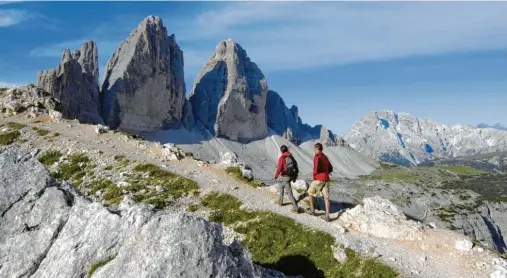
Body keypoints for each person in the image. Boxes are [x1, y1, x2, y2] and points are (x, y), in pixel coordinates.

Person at [306, 142, 333, 222]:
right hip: (326, 179)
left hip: (319, 179)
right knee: (326, 198)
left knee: (310, 193)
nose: (314, 150)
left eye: (315, 148)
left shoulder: (317, 157)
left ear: (318, 148)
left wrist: (314, 176)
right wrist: (325, 174)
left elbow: (316, 168)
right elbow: (330, 168)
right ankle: (327, 216)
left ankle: (312, 210)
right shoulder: (325, 157)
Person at [274, 145, 301, 213]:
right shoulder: (291, 156)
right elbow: (296, 167)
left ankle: (295, 208)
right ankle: (280, 200)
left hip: (286, 176)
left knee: (289, 192)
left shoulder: (282, 158)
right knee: (281, 185)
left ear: (281, 151)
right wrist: (294, 177)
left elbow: (279, 168)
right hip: (291, 176)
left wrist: (276, 175)